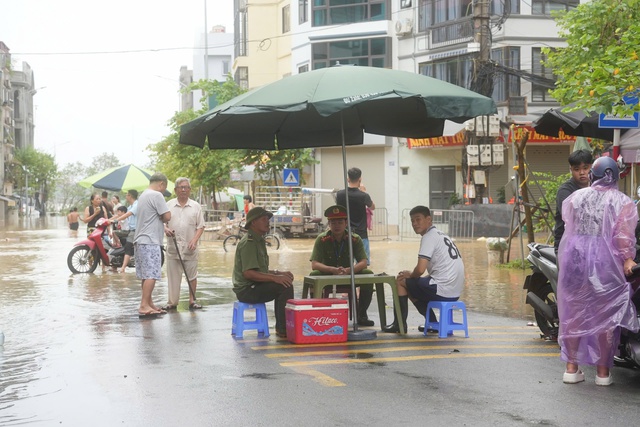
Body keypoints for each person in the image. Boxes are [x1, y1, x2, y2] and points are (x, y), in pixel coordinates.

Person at [557, 156, 639, 386]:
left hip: (575, 258)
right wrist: (628, 260)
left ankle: (571, 369)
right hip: (605, 262)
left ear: (593, 174)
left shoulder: (575, 198)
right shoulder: (624, 202)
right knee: (606, 315)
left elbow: (569, 228)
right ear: (616, 175)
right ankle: (603, 374)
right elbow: (624, 238)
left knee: (574, 312)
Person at [383, 205, 465, 333]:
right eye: (412, 221)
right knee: (411, 285)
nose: (415, 223)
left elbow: (420, 269)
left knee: (400, 280)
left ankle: (399, 324)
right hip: (455, 291)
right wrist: (413, 278)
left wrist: (410, 275)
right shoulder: (441, 235)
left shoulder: (429, 237)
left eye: (418, 219)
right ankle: (432, 323)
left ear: (429, 219)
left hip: (443, 290)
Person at [233, 207, 294, 337]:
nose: (268, 222)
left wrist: (279, 273)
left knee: (285, 281)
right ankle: (283, 329)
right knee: (284, 286)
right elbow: (248, 273)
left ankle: (282, 327)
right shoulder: (249, 242)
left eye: (268, 219)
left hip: (254, 286)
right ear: (253, 222)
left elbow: (261, 271)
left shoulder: (258, 240)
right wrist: (275, 278)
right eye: (264, 219)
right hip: (246, 290)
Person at [309, 205, 375, 326]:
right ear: (329, 224)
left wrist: (350, 270)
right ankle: (317, 312)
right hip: (328, 274)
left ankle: (362, 314)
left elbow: (363, 262)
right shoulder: (322, 239)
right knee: (313, 275)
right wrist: (331, 269)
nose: (337, 225)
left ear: (346, 223)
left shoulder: (355, 239)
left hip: (349, 274)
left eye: (340, 222)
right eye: (333, 222)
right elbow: (315, 264)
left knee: (368, 275)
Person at [163, 178, 205, 311]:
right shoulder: (168, 205)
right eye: (180, 187)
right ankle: (172, 302)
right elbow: (162, 222)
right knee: (173, 276)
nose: (183, 190)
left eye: (186, 187)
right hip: (173, 246)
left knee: (192, 275)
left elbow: (201, 226)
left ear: (190, 190)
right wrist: (166, 229)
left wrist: (195, 239)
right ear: (175, 190)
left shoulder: (196, 206)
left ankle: (192, 301)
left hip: (189, 247)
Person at [134, 173, 171, 318]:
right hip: (150, 240)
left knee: (146, 274)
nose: (163, 191)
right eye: (164, 188)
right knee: (152, 274)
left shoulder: (143, 195)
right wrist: (164, 217)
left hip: (141, 240)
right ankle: (144, 305)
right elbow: (167, 216)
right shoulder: (156, 195)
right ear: (161, 184)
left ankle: (149, 303)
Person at [553, 149, 593, 254]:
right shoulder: (565, 191)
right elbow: (571, 216)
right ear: (571, 170)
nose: (582, 173)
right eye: (577, 169)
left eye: (585, 168)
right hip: (566, 247)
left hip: (591, 245)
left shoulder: (596, 188)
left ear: (591, 167)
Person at [336, 167, 375, 264]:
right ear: (360, 179)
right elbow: (372, 207)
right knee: (362, 263)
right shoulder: (364, 196)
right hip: (361, 234)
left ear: (348, 179)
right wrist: (363, 192)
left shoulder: (340, 194)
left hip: (344, 234)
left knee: (344, 264)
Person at [113, 189, 139, 273]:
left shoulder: (136, 205)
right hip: (129, 230)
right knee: (115, 233)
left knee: (128, 246)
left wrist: (116, 220)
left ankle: (123, 268)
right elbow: (121, 215)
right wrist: (107, 220)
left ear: (130, 196)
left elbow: (127, 214)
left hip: (135, 230)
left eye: (127, 195)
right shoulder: (130, 206)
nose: (126, 196)